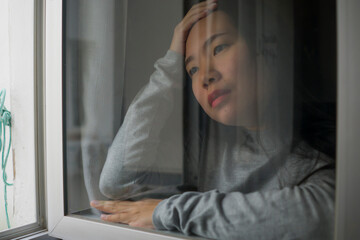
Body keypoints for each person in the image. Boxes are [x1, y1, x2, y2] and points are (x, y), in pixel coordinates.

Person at [90, 0, 335, 239]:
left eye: (219, 48)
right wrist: (170, 65)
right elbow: (116, 182)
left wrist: (171, 211)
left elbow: (322, 217)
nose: (205, 76)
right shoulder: (209, 150)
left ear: (267, 50)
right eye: (192, 70)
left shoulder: (318, 153)